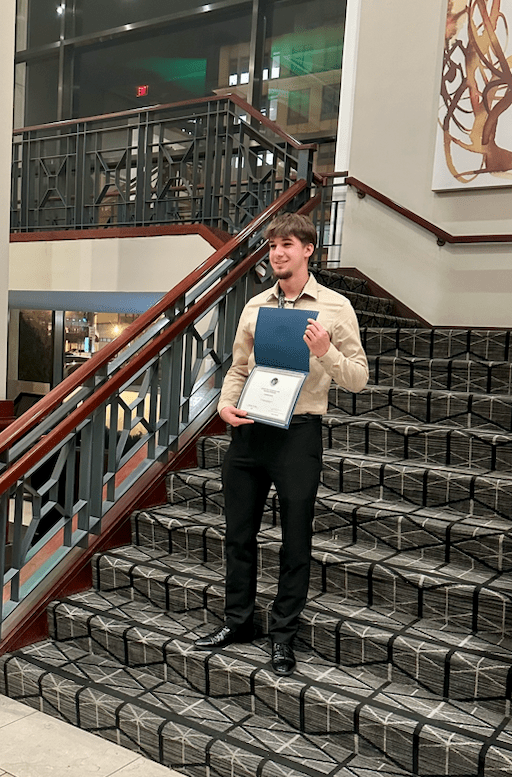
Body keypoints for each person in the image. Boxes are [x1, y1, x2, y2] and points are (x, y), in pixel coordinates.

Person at [195, 212, 368, 676]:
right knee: (238, 535)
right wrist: (224, 407)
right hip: (250, 431)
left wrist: (325, 352)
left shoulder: (335, 307)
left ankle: (283, 636)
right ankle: (238, 623)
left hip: (298, 434)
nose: (277, 253)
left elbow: (359, 377)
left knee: (295, 540)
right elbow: (237, 368)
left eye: (287, 245)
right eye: (273, 246)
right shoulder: (255, 307)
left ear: (308, 250)